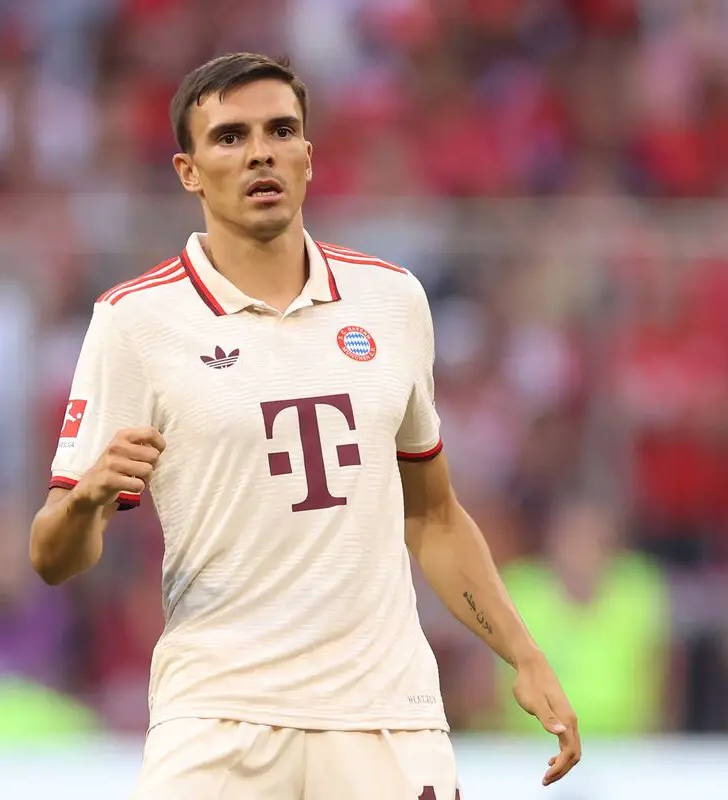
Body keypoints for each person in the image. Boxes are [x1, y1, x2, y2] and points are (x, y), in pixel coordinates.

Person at [29, 52, 580, 799]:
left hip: (386, 716)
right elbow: (53, 558)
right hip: (220, 715)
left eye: (281, 131)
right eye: (230, 137)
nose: (260, 152)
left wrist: (525, 655)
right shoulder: (136, 320)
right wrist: (87, 499)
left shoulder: (391, 300)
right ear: (188, 172)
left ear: (309, 158)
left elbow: (433, 515)